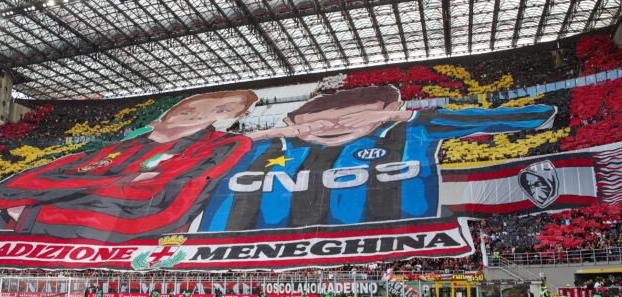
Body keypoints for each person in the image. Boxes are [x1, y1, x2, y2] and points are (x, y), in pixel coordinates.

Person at [199, 86, 556, 231]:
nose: (334, 127)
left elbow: (535, 116)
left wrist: (404, 118)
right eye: (318, 124)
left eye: (354, 118)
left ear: (392, 109)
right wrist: (268, 134)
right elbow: (178, 158)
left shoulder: (411, 129)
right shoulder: (262, 148)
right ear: (290, 123)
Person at [0, 90, 259, 243]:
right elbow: (7, 190)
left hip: (135, 244)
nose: (199, 116)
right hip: (36, 234)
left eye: (221, 111)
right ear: (160, 118)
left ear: (230, 119)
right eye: (188, 110)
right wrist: (120, 181)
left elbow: (161, 202)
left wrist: (38, 206)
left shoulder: (225, 144)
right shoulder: (111, 149)